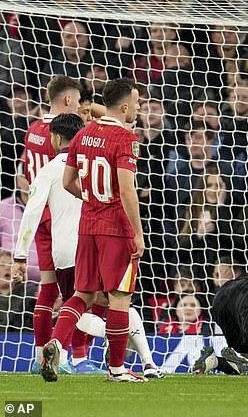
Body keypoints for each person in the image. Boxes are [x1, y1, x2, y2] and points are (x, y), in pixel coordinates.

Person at [40, 78, 146, 383]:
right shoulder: (125, 138)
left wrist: (89, 197)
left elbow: (67, 181)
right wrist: (137, 233)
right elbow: (127, 190)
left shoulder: (84, 134)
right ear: (124, 106)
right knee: (119, 298)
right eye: (136, 103)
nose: (137, 108)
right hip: (116, 228)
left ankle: (56, 344)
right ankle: (116, 370)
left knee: (82, 294)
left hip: (87, 226)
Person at [19, 75, 81, 373]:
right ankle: (75, 358)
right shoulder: (62, 135)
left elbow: (24, 172)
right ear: (68, 100)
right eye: (79, 101)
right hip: (60, 217)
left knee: (47, 289)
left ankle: (38, 356)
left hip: (39, 215)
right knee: (79, 293)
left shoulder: (33, 129)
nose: (81, 107)